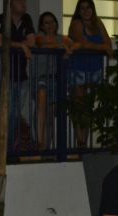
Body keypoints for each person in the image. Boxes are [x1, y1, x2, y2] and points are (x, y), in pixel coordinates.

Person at [67, 0, 113, 147]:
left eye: (88, 8)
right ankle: (80, 141)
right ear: (78, 11)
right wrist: (102, 47)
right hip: (78, 69)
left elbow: (109, 45)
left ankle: (83, 144)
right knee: (78, 107)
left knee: (88, 107)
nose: (86, 11)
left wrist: (101, 46)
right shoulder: (77, 23)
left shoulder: (98, 23)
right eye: (82, 8)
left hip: (95, 70)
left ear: (93, 9)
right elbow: (83, 43)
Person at [0, 0, 36, 151]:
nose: (23, 3)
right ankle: (7, 149)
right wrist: (21, 45)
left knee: (15, 113)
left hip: (21, 75)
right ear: (10, 3)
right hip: (4, 74)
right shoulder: (1, 19)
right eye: (19, 1)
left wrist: (13, 43)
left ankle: (10, 147)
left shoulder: (26, 19)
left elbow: (32, 42)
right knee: (9, 112)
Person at [34, 11, 73, 151]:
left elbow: (74, 45)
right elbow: (40, 44)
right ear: (42, 26)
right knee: (42, 107)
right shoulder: (39, 37)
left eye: (52, 22)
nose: (50, 25)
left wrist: (67, 49)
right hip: (42, 78)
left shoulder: (61, 38)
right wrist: (59, 47)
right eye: (46, 22)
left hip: (56, 79)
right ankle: (40, 143)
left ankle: (46, 147)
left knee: (50, 115)